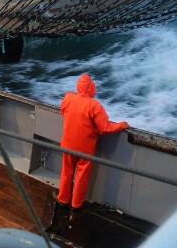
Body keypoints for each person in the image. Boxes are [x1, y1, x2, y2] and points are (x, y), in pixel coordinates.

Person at [54, 73, 129, 226]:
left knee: (66, 172)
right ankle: (76, 205)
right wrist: (121, 125)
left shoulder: (68, 98)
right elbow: (105, 127)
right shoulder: (94, 106)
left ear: (78, 87)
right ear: (92, 88)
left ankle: (63, 200)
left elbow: (63, 111)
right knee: (81, 176)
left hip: (68, 145)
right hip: (85, 149)